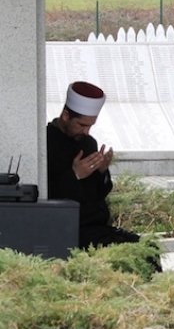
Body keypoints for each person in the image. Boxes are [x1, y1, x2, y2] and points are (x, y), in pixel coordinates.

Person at [47, 81, 139, 248]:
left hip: (96, 225)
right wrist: (74, 175)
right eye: (82, 125)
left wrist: (102, 172)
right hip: (67, 229)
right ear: (66, 116)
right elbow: (46, 192)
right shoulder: (46, 142)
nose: (86, 132)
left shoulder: (88, 143)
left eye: (90, 126)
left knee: (146, 248)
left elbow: (99, 193)